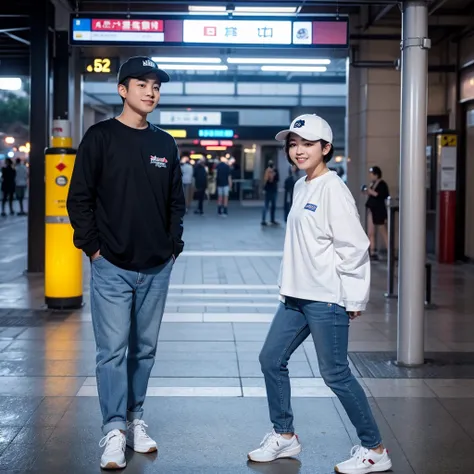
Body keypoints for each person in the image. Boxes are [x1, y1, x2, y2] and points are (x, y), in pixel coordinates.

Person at [248, 114, 392, 474]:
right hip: (295, 297)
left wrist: (354, 299)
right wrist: (285, 287)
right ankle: (285, 435)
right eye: (293, 144)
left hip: (326, 299)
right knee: (270, 359)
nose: (298, 151)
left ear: (326, 148)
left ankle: (374, 448)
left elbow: (356, 246)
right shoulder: (301, 186)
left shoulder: (333, 189)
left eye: (307, 144)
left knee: (336, 374)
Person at [66, 56, 185, 470]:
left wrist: (173, 246)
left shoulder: (165, 143)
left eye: (156, 85)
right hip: (111, 265)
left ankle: (135, 419)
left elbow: (175, 202)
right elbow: (78, 198)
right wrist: (93, 249)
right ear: (123, 90)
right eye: (142, 84)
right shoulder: (100, 137)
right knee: (112, 351)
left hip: (156, 266)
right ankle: (114, 428)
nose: (151, 91)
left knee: (145, 351)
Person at [363, 166, 390, 260]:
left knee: (383, 232)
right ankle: (372, 251)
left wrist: (372, 192)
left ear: (377, 174)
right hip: (371, 209)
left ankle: (389, 250)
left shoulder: (382, 184)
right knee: (371, 232)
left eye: (372, 174)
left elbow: (383, 195)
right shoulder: (372, 184)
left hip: (379, 210)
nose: (371, 176)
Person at [261, 160, 279, 226]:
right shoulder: (275, 171)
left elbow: (265, 181)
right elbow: (277, 180)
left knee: (266, 205)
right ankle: (272, 219)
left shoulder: (267, 171)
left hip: (268, 190)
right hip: (273, 190)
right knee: (272, 206)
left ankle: (263, 220)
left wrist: (264, 189)